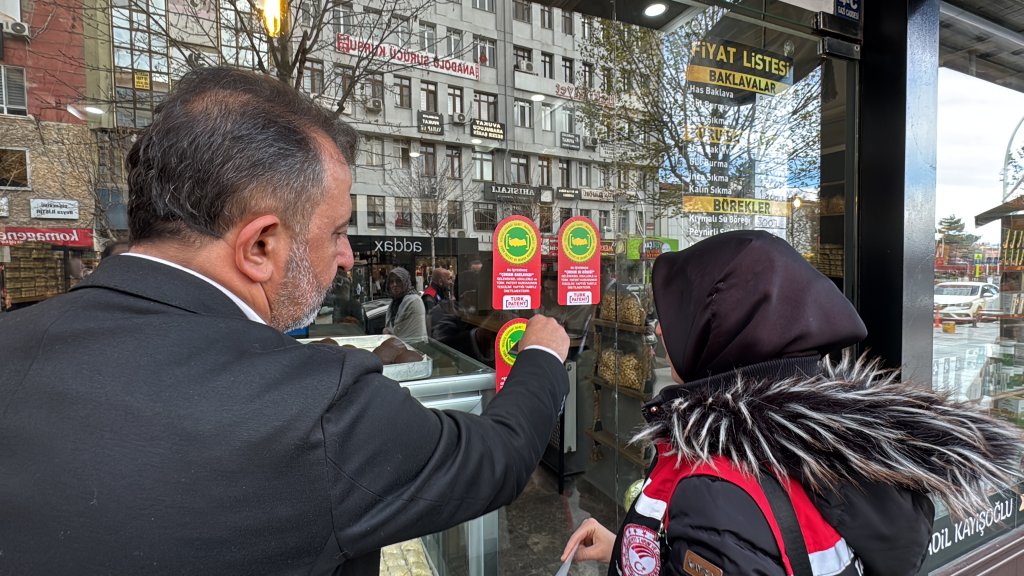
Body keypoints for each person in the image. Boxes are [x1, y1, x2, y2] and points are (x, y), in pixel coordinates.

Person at [0, 66, 571, 576]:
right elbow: (496, 458)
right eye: (338, 232)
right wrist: (542, 355)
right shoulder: (317, 409)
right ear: (261, 246)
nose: (346, 257)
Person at [562, 230, 1021, 576]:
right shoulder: (833, 448)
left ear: (721, 332)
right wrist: (632, 548)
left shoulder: (718, 490)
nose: (661, 330)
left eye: (677, 316)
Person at [383, 266, 427, 340]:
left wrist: (388, 332)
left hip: (412, 346)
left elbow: (404, 334)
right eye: (391, 282)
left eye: (398, 281)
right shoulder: (394, 302)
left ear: (405, 282)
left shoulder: (414, 300)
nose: (394, 284)